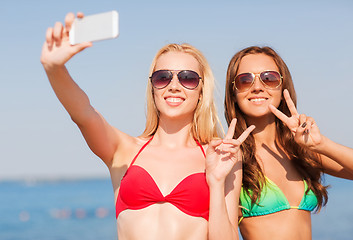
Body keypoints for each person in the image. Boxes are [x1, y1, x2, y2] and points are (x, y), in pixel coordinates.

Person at [40, 12, 254, 240]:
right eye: (163, 77)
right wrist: (54, 69)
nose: (174, 85)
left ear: (201, 91)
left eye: (187, 78)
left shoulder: (221, 155)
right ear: (153, 88)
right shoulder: (123, 149)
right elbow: (83, 113)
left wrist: (217, 180)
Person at [223, 46, 353, 239]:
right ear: (233, 93)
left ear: (282, 86)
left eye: (269, 78)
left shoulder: (301, 150)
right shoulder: (230, 158)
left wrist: (322, 144)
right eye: (245, 80)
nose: (257, 87)